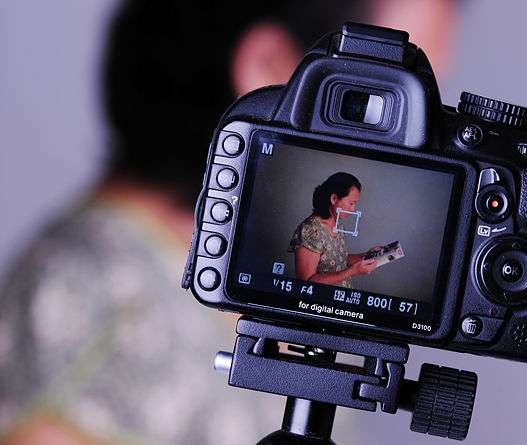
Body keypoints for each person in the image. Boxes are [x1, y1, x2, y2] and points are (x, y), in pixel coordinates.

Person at [0, 1, 457, 444]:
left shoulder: (247, 286)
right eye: (393, 100)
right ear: (268, 66)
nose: (422, 140)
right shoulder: (93, 295)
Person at [289, 173, 378, 288]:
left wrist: (367, 256)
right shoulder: (311, 230)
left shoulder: (337, 225)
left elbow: (339, 259)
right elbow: (306, 282)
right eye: (351, 203)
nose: (353, 209)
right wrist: (352, 271)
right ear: (334, 199)